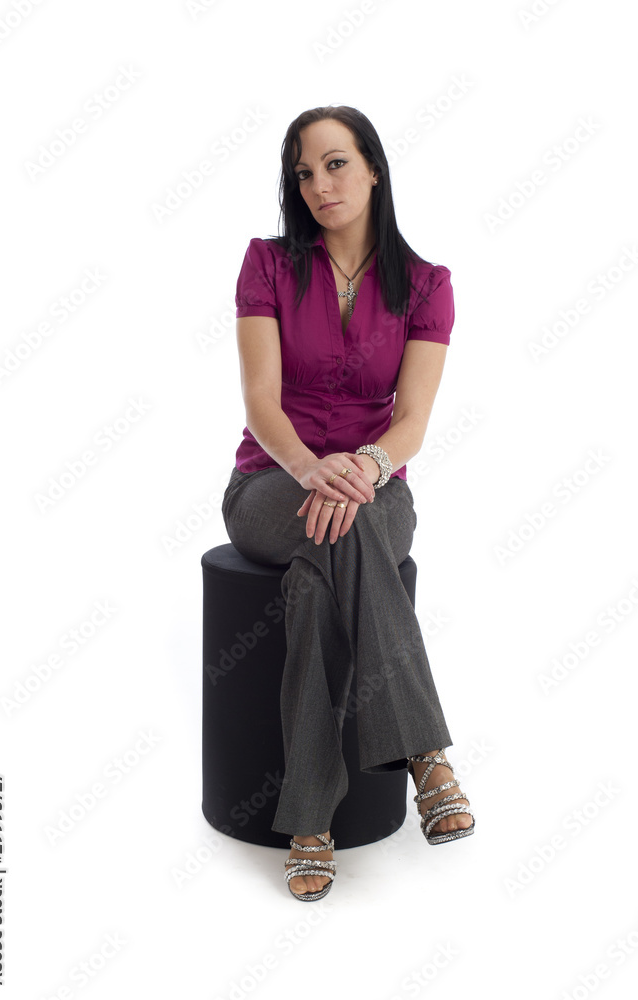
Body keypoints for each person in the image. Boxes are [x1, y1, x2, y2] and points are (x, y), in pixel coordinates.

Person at [221, 104, 475, 901]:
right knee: (337, 530)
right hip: (272, 484)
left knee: (317, 579)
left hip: (375, 486)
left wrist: (362, 466)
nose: (319, 185)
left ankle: (308, 820)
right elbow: (262, 402)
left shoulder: (426, 285)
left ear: (372, 167)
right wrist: (309, 469)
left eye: (334, 164)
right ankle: (426, 757)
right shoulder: (266, 264)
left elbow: (412, 423)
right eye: (303, 173)